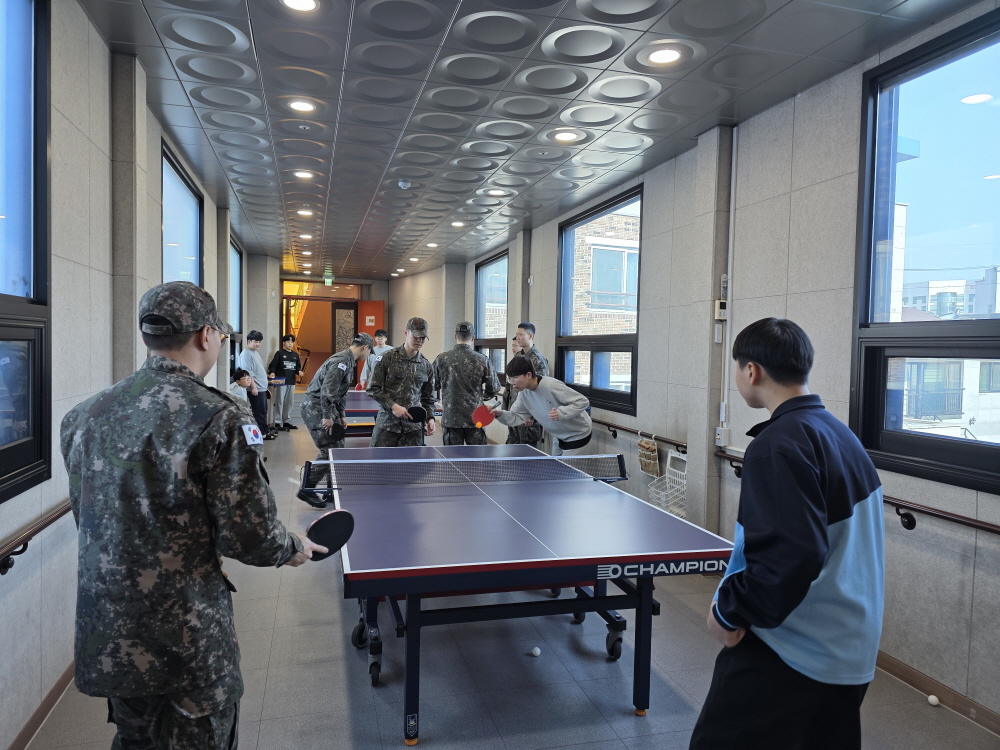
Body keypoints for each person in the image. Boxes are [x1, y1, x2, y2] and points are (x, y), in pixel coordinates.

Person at [59, 281, 327, 750]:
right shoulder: (221, 417)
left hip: (111, 633)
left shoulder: (83, 415)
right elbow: (249, 535)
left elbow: (92, 516)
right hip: (186, 637)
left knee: (135, 740)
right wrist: (291, 547)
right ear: (206, 335)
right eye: (220, 334)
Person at [689, 318, 884, 750]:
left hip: (792, 651)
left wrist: (728, 612)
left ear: (751, 370)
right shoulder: (842, 436)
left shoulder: (778, 445)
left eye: (737, 367)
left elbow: (791, 555)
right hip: (847, 649)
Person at [298, 332, 374, 507]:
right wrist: (326, 416)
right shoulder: (341, 362)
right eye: (369, 352)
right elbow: (328, 391)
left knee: (337, 449)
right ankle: (307, 489)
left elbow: (341, 392)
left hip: (326, 408)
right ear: (365, 347)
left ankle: (331, 491)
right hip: (315, 408)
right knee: (329, 450)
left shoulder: (348, 361)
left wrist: (341, 415)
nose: (368, 356)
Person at [492, 356, 592, 455]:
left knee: (566, 466)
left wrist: (561, 413)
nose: (512, 382)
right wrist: (499, 414)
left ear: (528, 375)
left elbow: (582, 401)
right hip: (559, 436)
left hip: (577, 434)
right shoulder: (523, 393)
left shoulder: (551, 386)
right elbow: (516, 416)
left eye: (515, 377)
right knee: (555, 465)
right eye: (510, 378)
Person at [367, 317, 436, 447]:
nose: (419, 341)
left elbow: (428, 398)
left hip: (413, 429)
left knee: (411, 461)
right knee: (378, 460)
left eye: (422, 337)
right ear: (406, 333)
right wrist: (393, 406)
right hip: (387, 426)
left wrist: (430, 418)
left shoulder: (426, 365)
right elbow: (373, 388)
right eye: (416, 336)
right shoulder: (387, 358)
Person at [432, 322, 500, 446]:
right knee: (477, 456)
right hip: (475, 417)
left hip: (451, 418)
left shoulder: (442, 359)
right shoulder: (482, 359)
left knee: (452, 456)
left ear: (455, 336)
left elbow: (433, 385)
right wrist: (481, 397)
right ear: (472, 337)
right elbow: (494, 387)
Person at [502, 322, 549, 448]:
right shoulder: (518, 356)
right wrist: (506, 409)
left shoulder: (538, 360)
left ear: (530, 336)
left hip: (528, 418)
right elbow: (510, 384)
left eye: (521, 334)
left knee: (527, 452)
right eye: (516, 334)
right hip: (515, 412)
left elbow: (541, 390)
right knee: (512, 449)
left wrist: (531, 416)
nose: (517, 337)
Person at [238, 330, 275, 440]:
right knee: (258, 412)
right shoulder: (246, 354)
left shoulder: (254, 352)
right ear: (249, 341)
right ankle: (261, 434)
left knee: (263, 411)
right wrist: (253, 387)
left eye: (259, 342)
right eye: (256, 342)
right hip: (256, 388)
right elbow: (248, 373)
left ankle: (265, 430)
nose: (258, 344)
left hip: (261, 388)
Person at [268, 334, 304, 430]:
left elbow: (297, 367)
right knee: (279, 401)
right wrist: (272, 372)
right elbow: (273, 365)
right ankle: (277, 421)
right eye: (288, 342)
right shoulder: (279, 353)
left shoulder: (295, 355)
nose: (290, 344)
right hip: (281, 381)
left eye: (292, 342)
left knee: (289, 402)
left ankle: (286, 421)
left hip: (291, 381)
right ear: (284, 343)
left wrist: (299, 371)